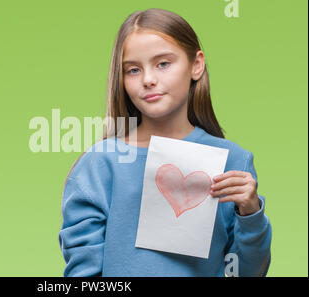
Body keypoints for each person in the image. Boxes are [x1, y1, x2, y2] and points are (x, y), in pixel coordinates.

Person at [58, 8, 272, 277]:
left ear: (196, 65)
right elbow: (83, 273)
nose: (148, 79)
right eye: (133, 70)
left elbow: (247, 273)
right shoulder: (100, 165)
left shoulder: (233, 161)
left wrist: (250, 214)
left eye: (163, 64)